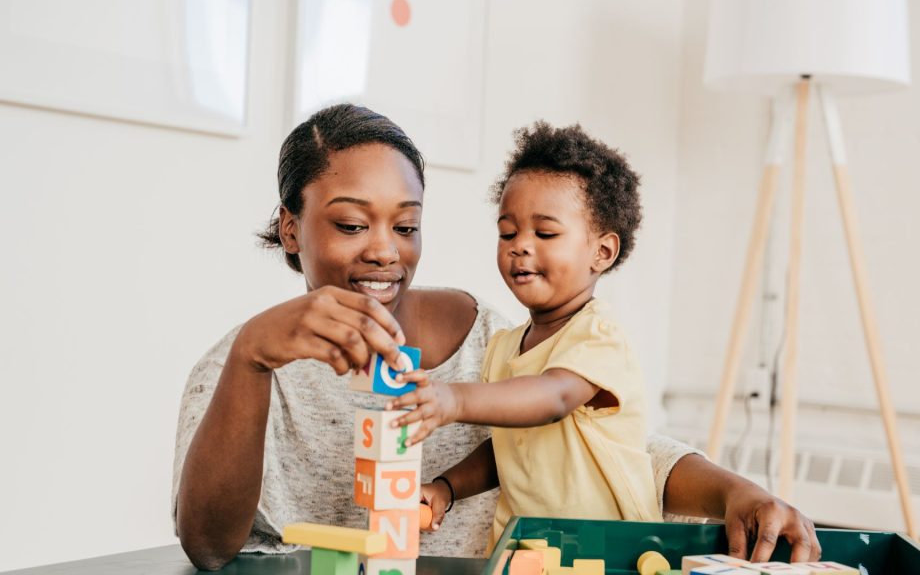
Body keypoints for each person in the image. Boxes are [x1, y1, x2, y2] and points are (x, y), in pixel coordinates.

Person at [172, 103, 821, 571]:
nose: (383, 251)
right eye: (349, 225)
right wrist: (251, 360)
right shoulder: (242, 363)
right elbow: (208, 547)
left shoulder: (495, 337)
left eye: (406, 226)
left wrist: (739, 490)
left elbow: (615, 449)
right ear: (291, 229)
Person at [387, 122, 661, 545]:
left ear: (602, 252)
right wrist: (446, 487)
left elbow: (552, 399)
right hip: (523, 551)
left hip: (608, 553)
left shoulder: (598, 336)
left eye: (546, 233)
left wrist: (454, 398)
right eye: (508, 232)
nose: (520, 246)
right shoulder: (503, 348)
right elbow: (509, 450)